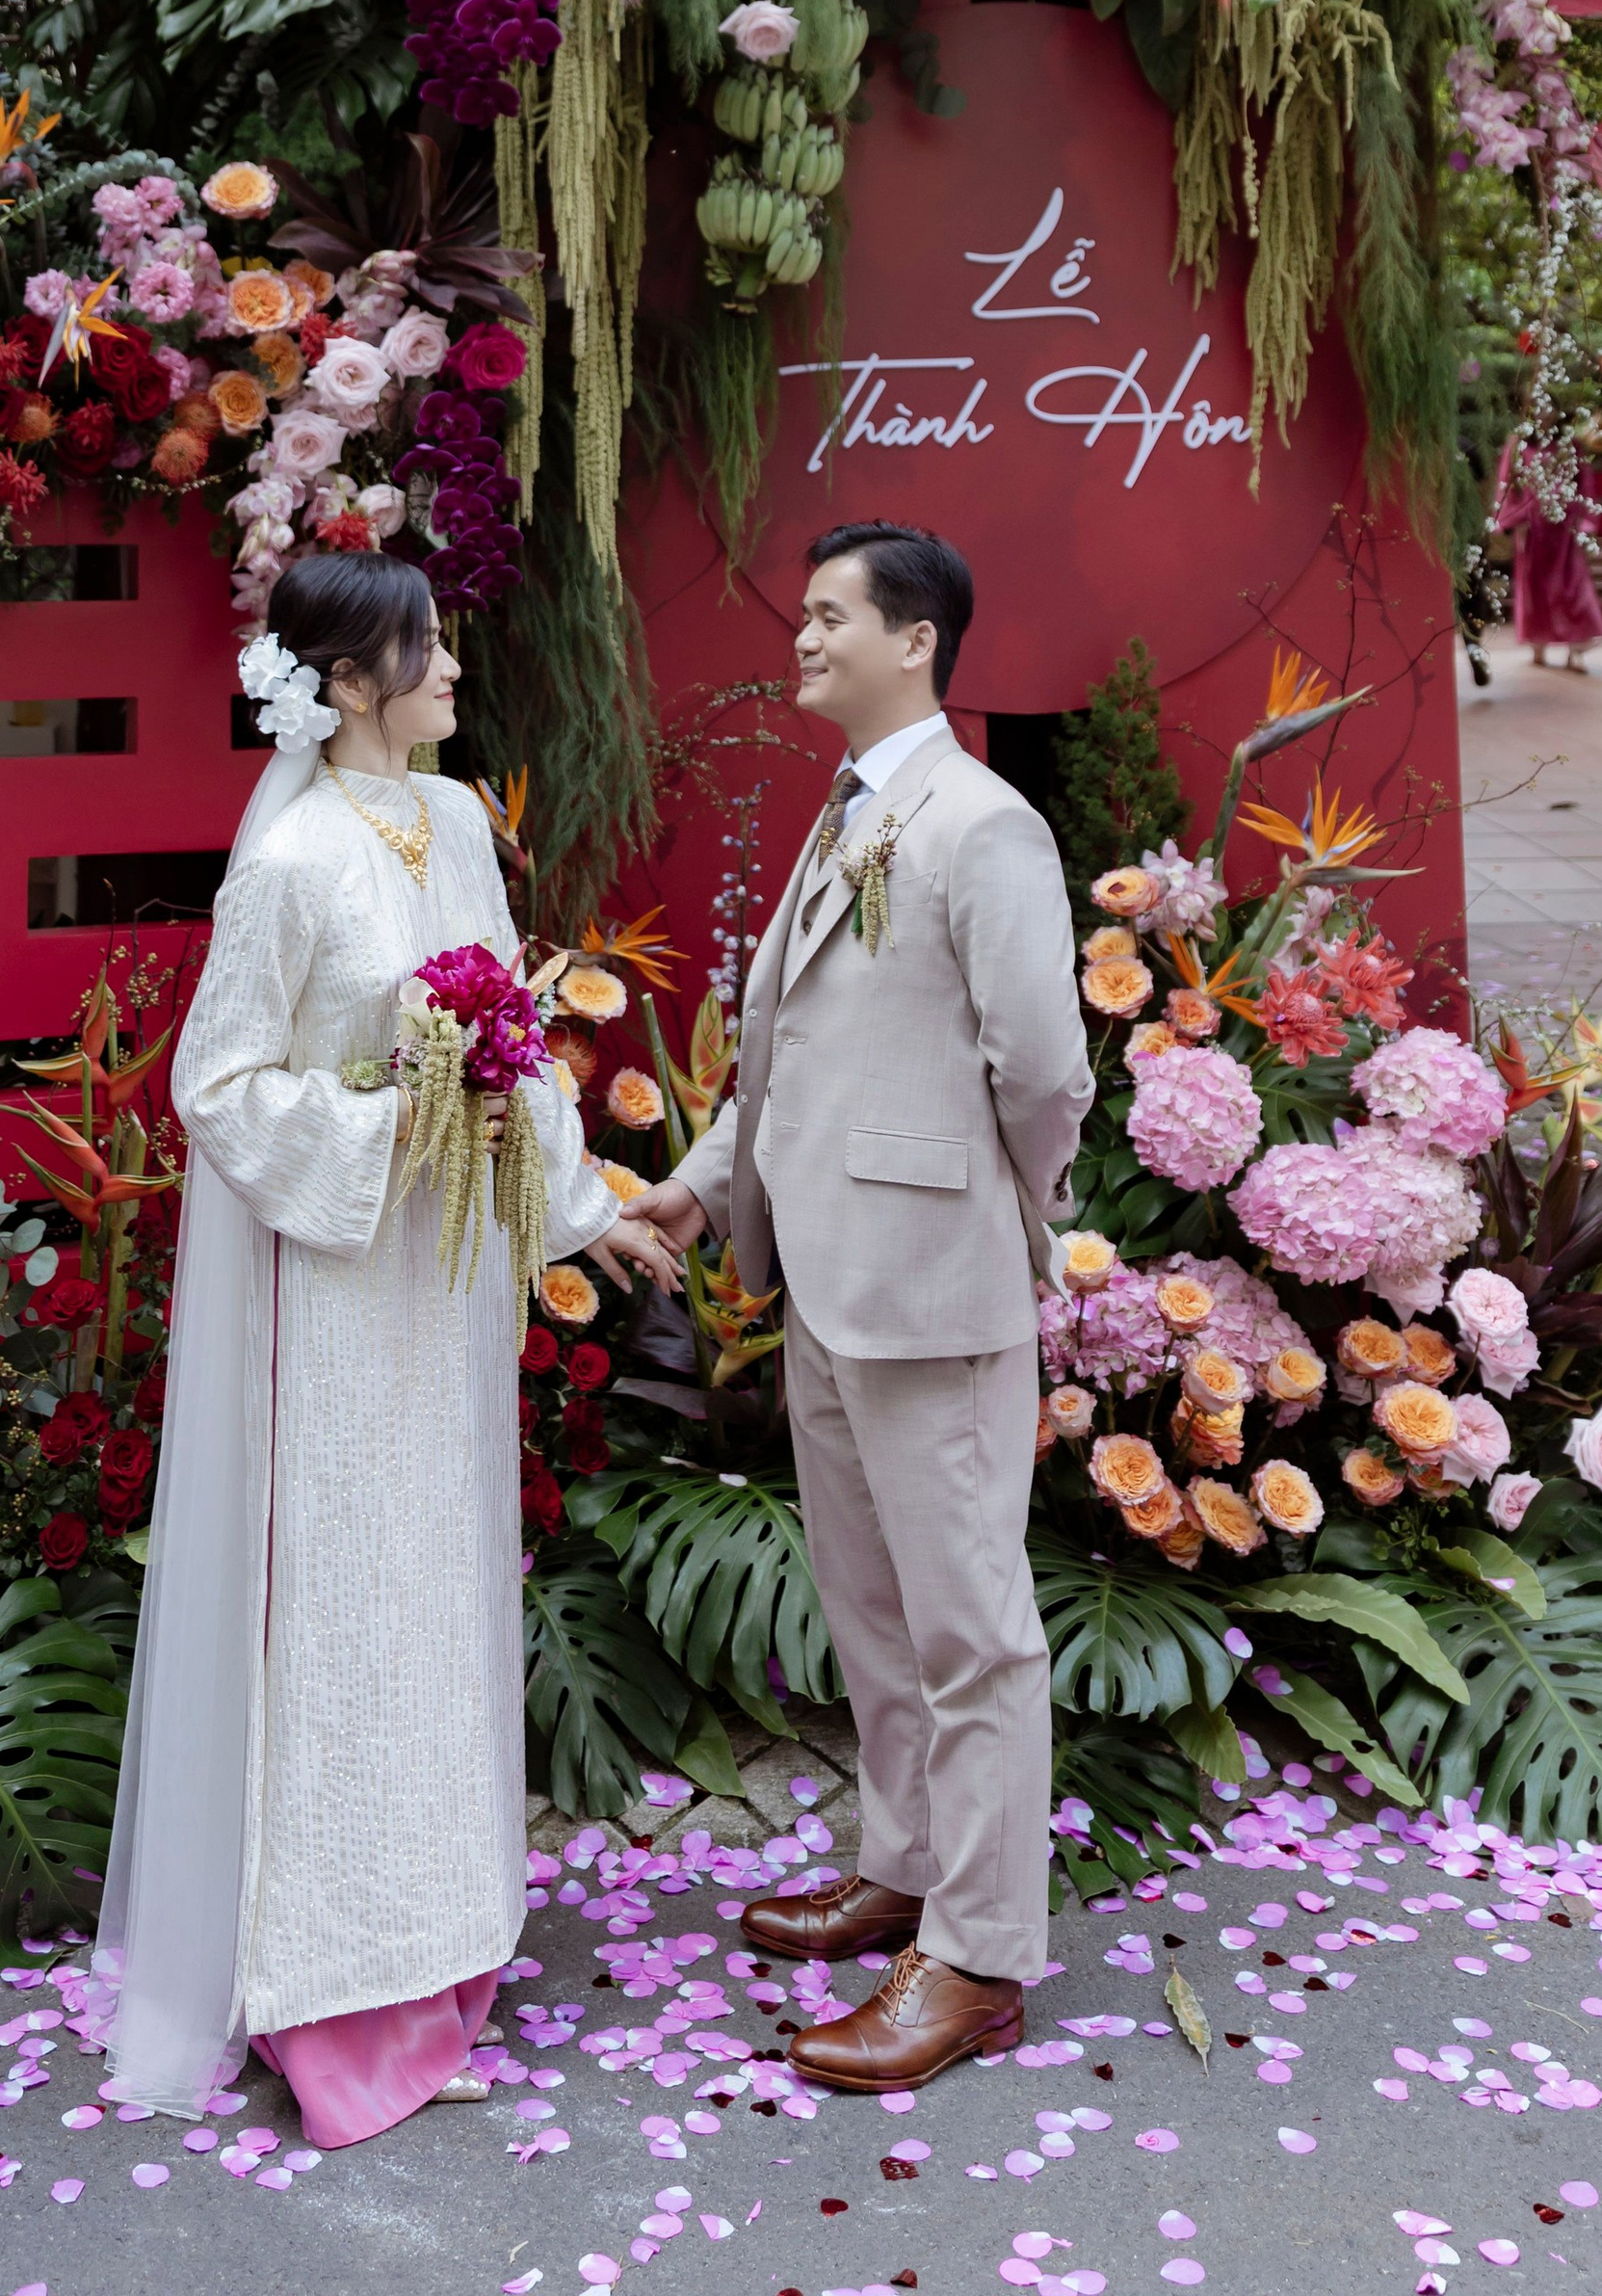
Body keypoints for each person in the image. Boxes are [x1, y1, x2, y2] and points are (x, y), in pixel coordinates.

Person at [92, 547, 679, 2145]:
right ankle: (331, 1991)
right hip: (340, 1299)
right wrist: (386, 1118)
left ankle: (442, 1951)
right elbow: (219, 1088)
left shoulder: (464, 825)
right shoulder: (287, 864)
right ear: (348, 681)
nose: (455, 667)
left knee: (435, 1604)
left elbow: (508, 1044)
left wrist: (581, 1203)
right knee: (346, 1616)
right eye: (428, 647)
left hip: (446, 1295)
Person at [631, 521, 1091, 2090]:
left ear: (917, 639)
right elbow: (790, 1050)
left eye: (832, 617)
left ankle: (976, 1958)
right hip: (819, 1278)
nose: (805, 638)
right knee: (878, 1613)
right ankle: (905, 1865)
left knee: (971, 1631)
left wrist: (996, 1208)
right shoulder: (848, 817)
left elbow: (1042, 1072)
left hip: (929, 1283)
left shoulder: (982, 827)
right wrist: (703, 1180)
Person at [1493, 433, 1602, 672]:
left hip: (1566, 526)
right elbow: (1508, 481)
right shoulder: (1518, 443)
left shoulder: (1570, 443)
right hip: (1532, 526)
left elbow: (1585, 482)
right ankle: (1538, 645)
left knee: (1574, 586)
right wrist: (1513, 518)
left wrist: (1587, 522)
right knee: (1534, 587)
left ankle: (1576, 650)